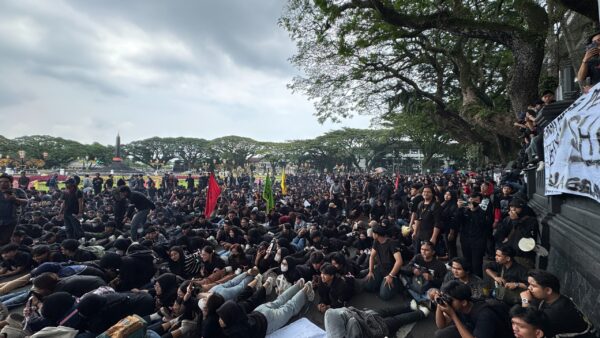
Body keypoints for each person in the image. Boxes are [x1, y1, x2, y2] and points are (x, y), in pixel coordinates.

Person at [216, 278, 315, 337]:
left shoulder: (237, 332)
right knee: (280, 300)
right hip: (260, 310)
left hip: (269, 321)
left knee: (290, 308)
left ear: (230, 318)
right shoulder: (238, 314)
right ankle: (298, 285)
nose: (219, 320)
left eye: (222, 318)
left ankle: (306, 287)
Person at [520, 270, 597, 338]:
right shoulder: (555, 298)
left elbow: (528, 325)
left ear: (548, 290)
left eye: (533, 286)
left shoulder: (556, 312)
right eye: (529, 284)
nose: (529, 288)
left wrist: (525, 300)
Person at [433, 280, 512, 338]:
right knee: (440, 335)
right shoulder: (459, 305)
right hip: (473, 328)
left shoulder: (484, 314)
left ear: (464, 302)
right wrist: (439, 302)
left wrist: (453, 316)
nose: (447, 301)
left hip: (494, 335)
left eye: (449, 299)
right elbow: (441, 325)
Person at [365, 223, 403, 300]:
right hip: (380, 268)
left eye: (373, 233)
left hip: (390, 271)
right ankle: (380, 281)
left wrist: (391, 275)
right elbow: (371, 256)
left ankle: (396, 284)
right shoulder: (376, 241)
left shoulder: (391, 243)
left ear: (376, 234)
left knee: (384, 295)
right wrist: (370, 271)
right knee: (368, 286)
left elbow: (399, 261)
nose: (372, 234)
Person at [0, 174, 28, 245]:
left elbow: (26, 202)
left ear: (10, 183)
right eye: (1, 181)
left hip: (11, 220)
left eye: (6, 181)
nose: (3, 183)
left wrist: (15, 199)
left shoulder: (17, 191)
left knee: (6, 240)